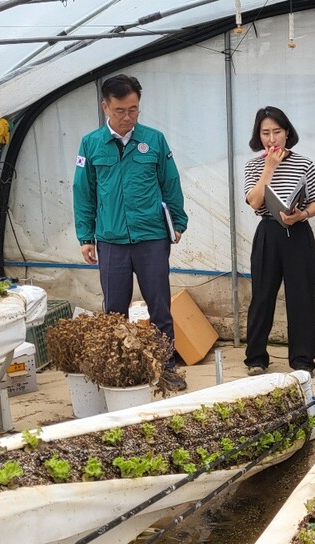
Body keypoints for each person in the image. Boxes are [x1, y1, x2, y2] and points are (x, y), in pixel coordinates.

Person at [73, 73, 188, 392]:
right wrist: (86, 236)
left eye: (133, 109)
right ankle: (121, 371)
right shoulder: (91, 144)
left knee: (160, 306)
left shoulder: (154, 140)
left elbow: (170, 182)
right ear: (105, 108)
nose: (127, 117)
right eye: (120, 110)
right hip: (111, 240)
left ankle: (166, 367)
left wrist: (178, 221)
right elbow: (83, 192)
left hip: (152, 237)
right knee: (114, 311)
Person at [241, 106, 315, 375]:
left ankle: (302, 359)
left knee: (301, 296)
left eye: (277, 131)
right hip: (268, 232)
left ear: (287, 132)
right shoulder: (254, 165)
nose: (271, 138)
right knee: (262, 296)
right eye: (265, 133)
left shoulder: (303, 164)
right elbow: (254, 202)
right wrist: (269, 168)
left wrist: (302, 214)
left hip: (298, 232)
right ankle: (256, 357)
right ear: (258, 136)